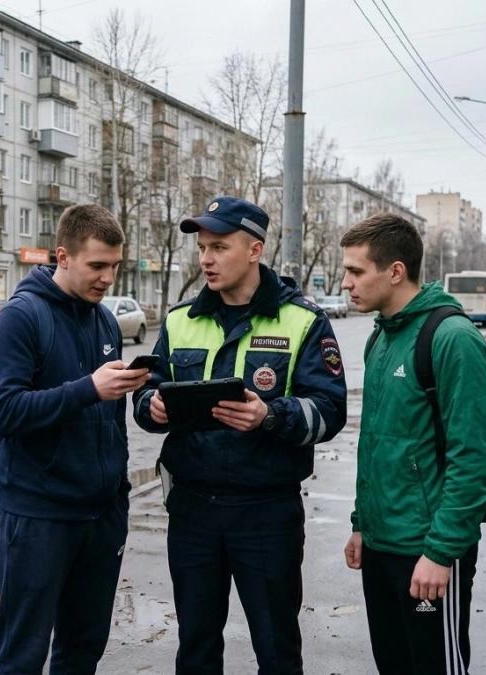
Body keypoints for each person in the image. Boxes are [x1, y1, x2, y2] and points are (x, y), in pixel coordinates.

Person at [134, 196, 348, 674]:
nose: (206, 258)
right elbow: (145, 394)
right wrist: (154, 407)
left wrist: (269, 417)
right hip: (192, 512)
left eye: (220, 247)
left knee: (276, 650)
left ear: (254, 250)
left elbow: (330, 410)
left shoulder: (304, 321)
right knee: (196, 647)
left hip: (266, 514)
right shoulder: (179, 320)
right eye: (203, 248)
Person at [0, 203, 151, 675]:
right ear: (63, 256)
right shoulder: (21, 317)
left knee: (82, 650)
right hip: (39, 514)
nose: (107, 278)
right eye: (97, 265)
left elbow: (107, 417)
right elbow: (4, 412)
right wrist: (88, 388)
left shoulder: (104, 321)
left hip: (100, 514)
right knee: (22, 656)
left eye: (115, 267)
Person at [339, 213, 486, 675]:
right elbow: (377, 443)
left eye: (355, 271)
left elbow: (474, 459)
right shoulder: (381, 339)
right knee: (393, 663)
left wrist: (441, 551)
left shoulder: (452, 338)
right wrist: (360, 523)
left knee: (434, 667)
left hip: (426, 550)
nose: (346, 283)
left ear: (395, 271)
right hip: (381, 545)